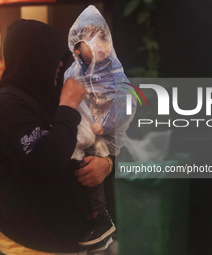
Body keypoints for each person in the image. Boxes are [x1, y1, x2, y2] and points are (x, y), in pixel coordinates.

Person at [0, 19, 113, 255]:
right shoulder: (7, 107)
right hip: (27, 245)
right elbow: (51, 158)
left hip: (66, 240)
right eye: (53, 56)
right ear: (33, 58)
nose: (60, 64)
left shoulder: (48, 99)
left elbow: (88, 142)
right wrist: (68, 107)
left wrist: (106, 164)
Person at [64, 5, 136, 249]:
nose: (99, 44)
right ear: (76, 47)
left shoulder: (113, 72)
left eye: (103, 37)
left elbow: (127, 102)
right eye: (90, 39)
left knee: (93, 182)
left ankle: (100, 219)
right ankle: (95, 220)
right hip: (79, 137)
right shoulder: (71, 73)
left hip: (100, 141)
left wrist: (104, 125)